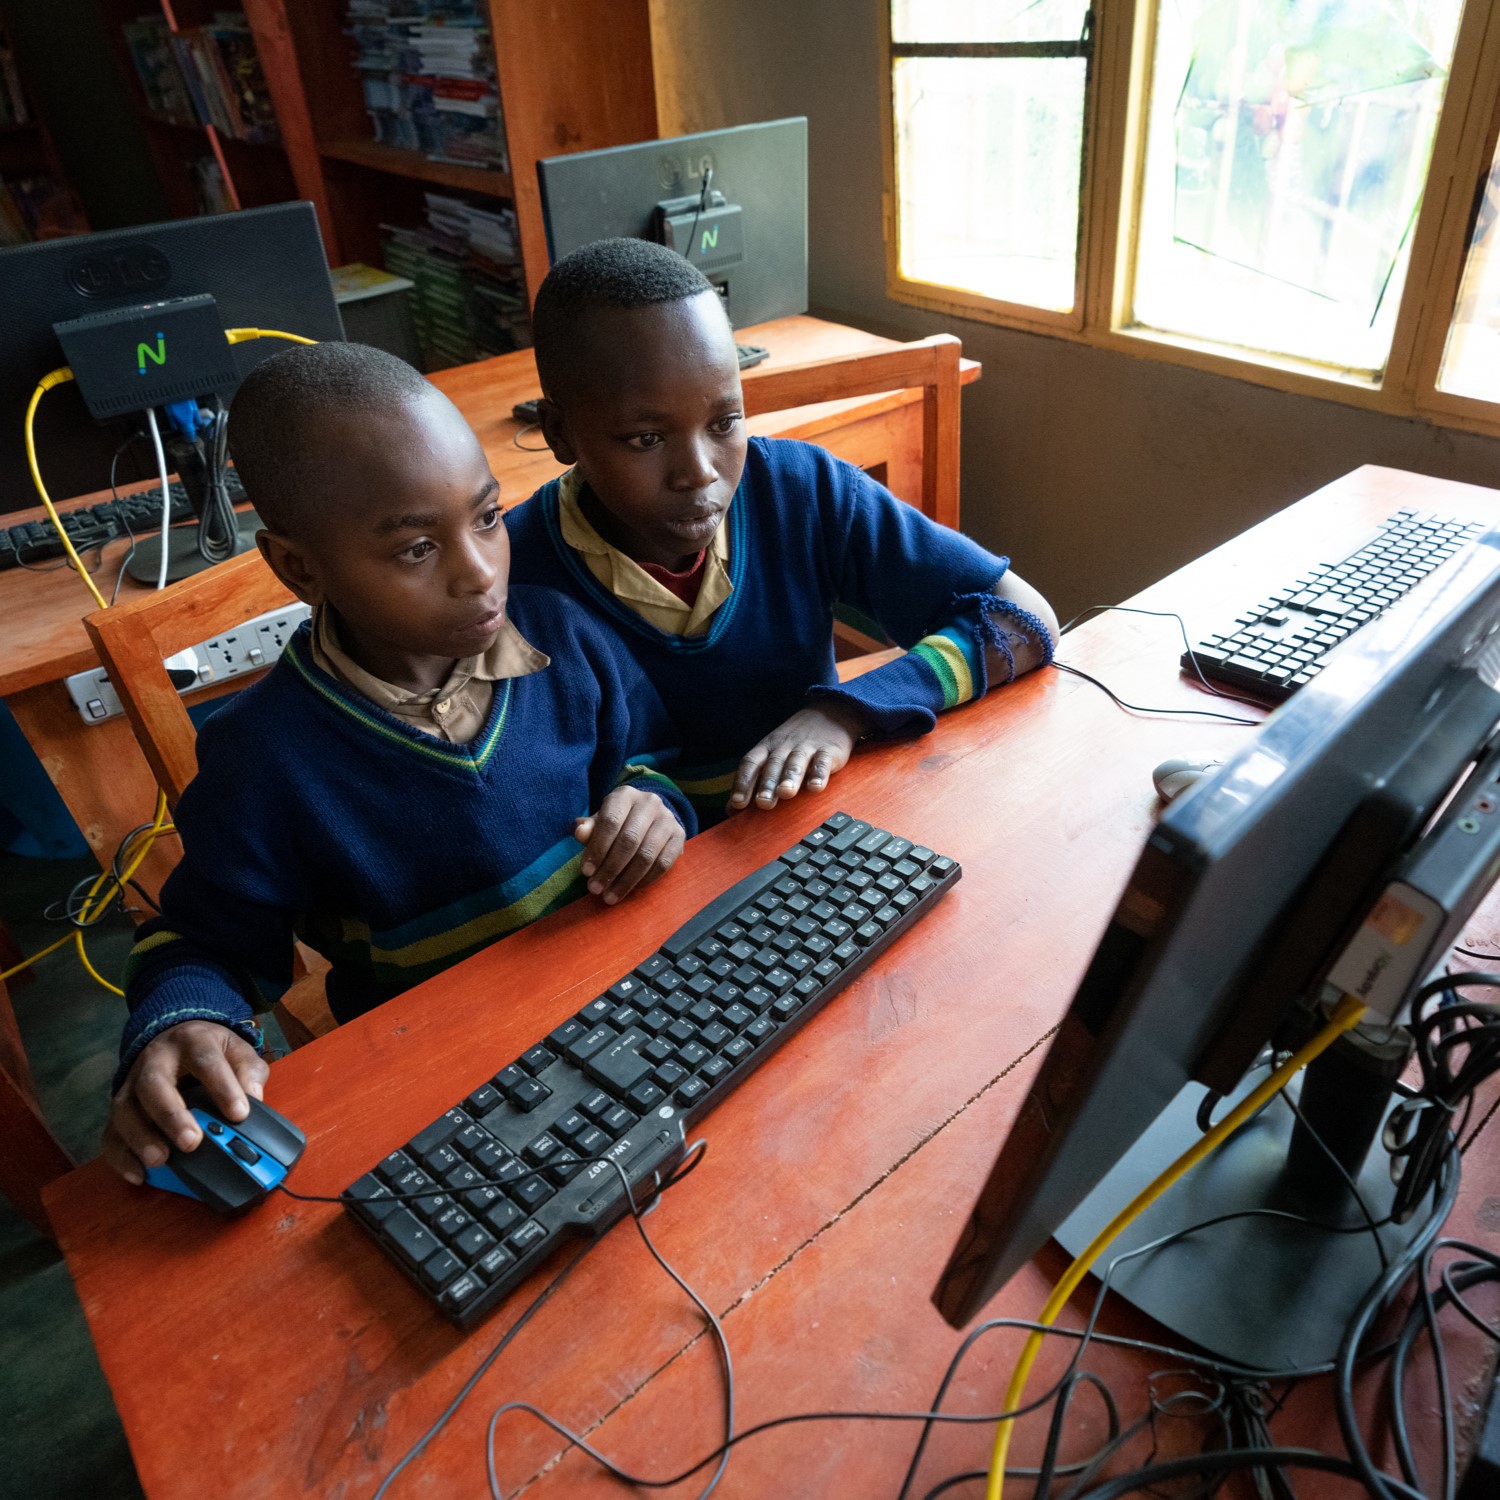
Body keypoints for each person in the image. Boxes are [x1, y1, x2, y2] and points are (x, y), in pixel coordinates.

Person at [103, 342, 694, 1185]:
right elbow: (204, 940)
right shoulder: (263, 760)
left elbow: (655, 756)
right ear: (299, 567)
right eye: (418, 549)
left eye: (488, 519)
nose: (480, 573)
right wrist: (179, 1021)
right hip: (450, 1095)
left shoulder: (565, 637)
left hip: (629, 1007)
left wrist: (652, 802)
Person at [506, 237, 1059, 822]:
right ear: (559, 433)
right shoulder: (510, 574)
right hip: (650, 886)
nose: (699, 472)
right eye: (646, 439)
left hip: (812, 836)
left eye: (725, 422)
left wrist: (848, 710)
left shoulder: (801, 491)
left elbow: (1023, 618)